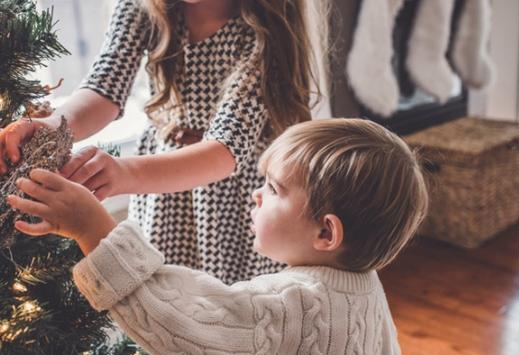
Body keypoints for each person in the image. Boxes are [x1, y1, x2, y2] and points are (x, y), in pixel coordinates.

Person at [7, 118, 428, 355]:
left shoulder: (290, 307)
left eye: (275, 189)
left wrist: (91, 227)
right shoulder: (367, 288)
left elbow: (177, 322)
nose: (256, 194)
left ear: (325, 231)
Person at [0, 0, 325, 284]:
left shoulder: (262, 30)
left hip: (234, 197)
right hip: (162, 194)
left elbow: (226, 149)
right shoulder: (143, 7)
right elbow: (104, 88)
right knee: (164, 308)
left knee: (224, 314)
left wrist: (123, 175)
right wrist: (50, 126)